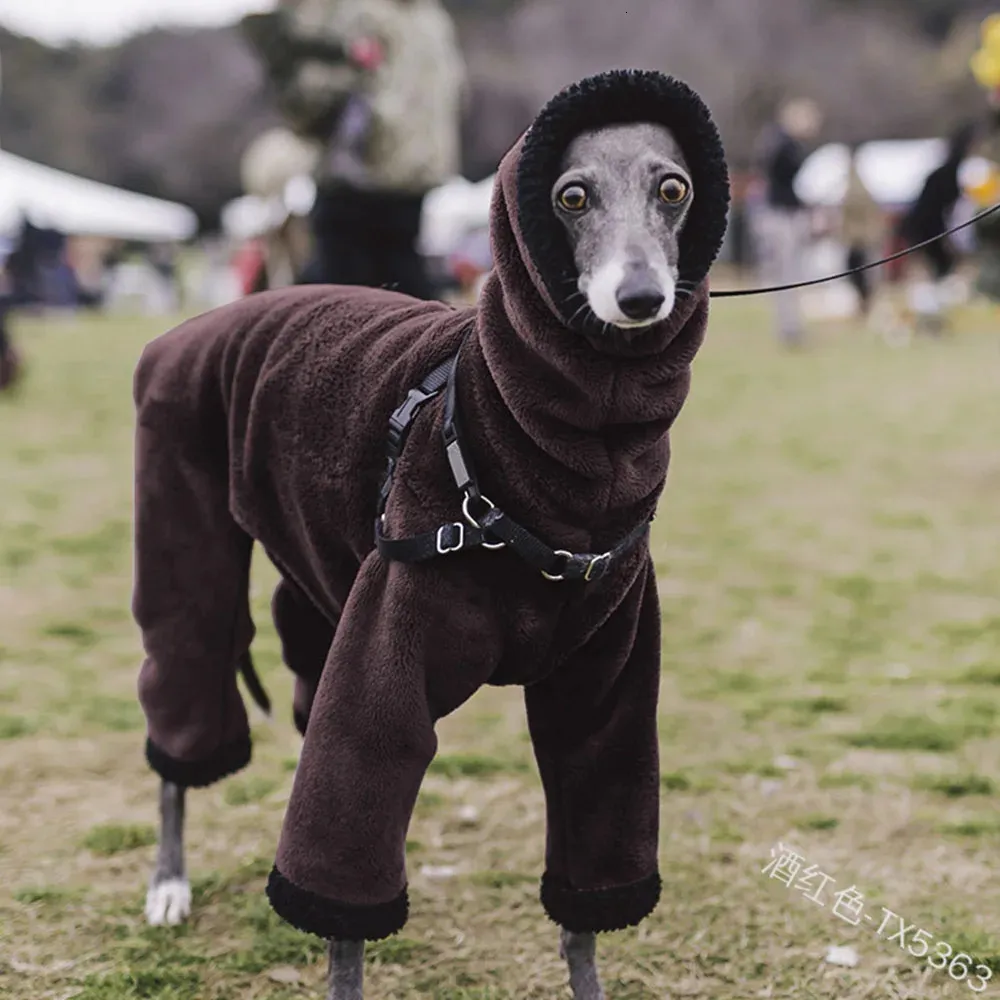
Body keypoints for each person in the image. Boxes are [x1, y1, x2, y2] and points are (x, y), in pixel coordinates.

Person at [244, 0, 466, 300]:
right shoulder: (433, 21)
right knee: (402, 290)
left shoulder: (364, 12)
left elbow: (314, 90)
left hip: (359, 171)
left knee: (339, 297)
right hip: (412, 172)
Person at [753, 98, 823, 347]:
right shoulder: (782, 145)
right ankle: (788, 328)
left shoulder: (788, 145)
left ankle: (792, 326)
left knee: (792, 274)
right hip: (781, 216)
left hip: (788, 214)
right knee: (786, 274)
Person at [896, 122, 979, 332]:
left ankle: (932, 318)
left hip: (928, 227)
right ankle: (928, 318)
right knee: (932, 272)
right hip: (926, 228)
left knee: (937, 272)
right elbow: (938, 211)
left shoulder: (947, 172)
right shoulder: (949, 174)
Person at [839, 144, 884, 319]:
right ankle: (863, 306)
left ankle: (865, 306)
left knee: (861, 276)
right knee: (859, 276)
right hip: (859, 239)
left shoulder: (856, 188)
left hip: (860, 239)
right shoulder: (856, 184)